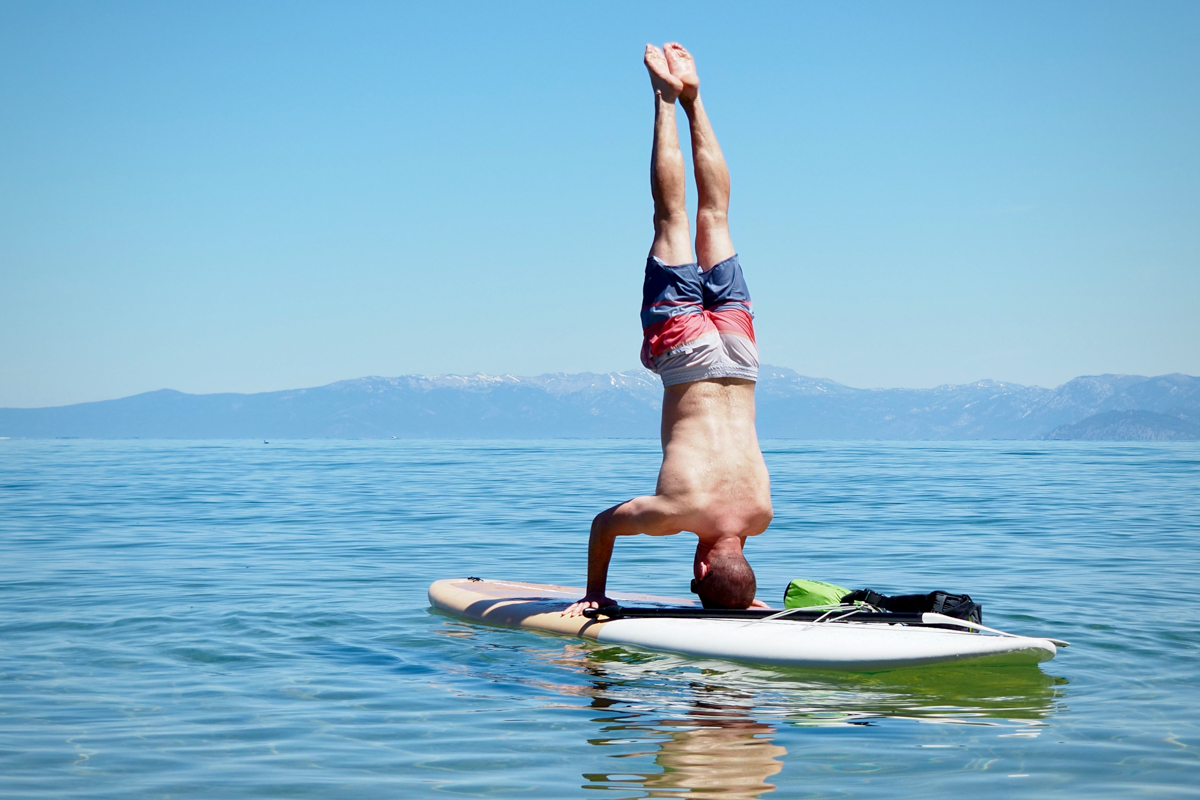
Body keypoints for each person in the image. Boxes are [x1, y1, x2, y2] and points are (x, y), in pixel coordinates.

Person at [565, 43, 772, 615]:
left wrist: (742, 596)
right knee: (671, 217)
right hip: (686, 355)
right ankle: (663, 96)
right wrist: (594, 594)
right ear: (700, 567)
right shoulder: (672, 512)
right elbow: (603, 526)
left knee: (716, 216)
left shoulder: (760, 513)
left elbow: (733, 551)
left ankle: (696, 98)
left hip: (741, 355)